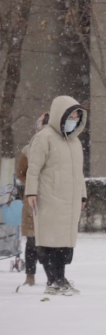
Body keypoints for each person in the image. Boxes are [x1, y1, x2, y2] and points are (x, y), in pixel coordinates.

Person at [25, 96, 87, 296]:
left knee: (65, 244)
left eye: (77, 117)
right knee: (50, 242)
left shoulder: (75, 142)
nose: (74, 120)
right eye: (71, 116)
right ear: (61, 114)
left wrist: (82, 195)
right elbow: (33, 169)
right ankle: (53, 280)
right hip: (49, 198)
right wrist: (31, 192)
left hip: (70, 202)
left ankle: (61, 278)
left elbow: (79, 173)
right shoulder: (44, 137)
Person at [16, 113, 49, 287]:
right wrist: (33, 185)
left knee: (51, 241)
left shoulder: (58, 148)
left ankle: (53, 275)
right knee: (32, 241)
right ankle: (30, 275)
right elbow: (21, 173)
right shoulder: (28, 149)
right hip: (32, 201)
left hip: (52, 200)